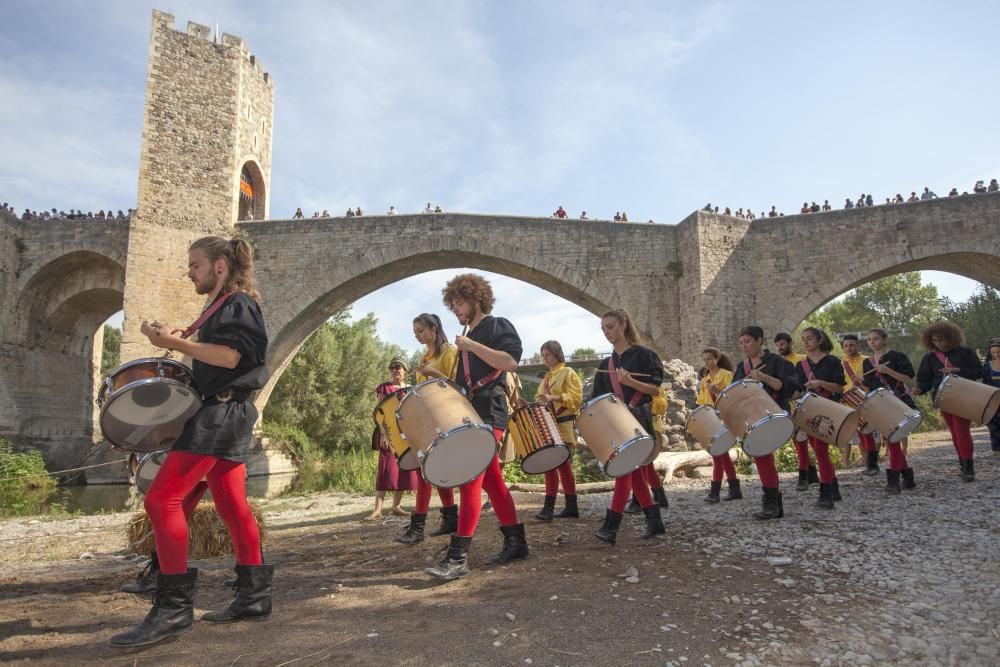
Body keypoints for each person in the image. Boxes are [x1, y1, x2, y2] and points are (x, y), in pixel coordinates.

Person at [109, 236, 270, 647]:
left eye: (195, 264)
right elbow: (219, 352)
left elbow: (232, 358)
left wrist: (174, 344)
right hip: (224, 414)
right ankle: (254, 596)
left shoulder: (239, 304)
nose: (189, 272)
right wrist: (176, 337)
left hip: (220, 415)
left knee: (162, 500)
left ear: (220, 267)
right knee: (233, 507)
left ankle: (173, 611)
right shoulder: (222, 306)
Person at [425, 274, 527, 581]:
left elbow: (510, 362)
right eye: (452, 304)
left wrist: (472, 345)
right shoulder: (464, 342)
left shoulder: (498, 326)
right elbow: (464, 387)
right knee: (492, 481)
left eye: (459, 302)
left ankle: (458, 558)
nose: (455, 309)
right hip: (471, 411)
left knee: (470, 479)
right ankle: (516, 542)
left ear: (476, 298)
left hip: (492, 411)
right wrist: (437, 376)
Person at [592, 309, 666, 545]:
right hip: (616, 423)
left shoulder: (645, 355)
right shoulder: (606, 364)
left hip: (639, 420)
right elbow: (599, 399)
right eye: (603, 329)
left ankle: (610, 528)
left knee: (624, 470)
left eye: (611, 327)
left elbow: (655, 389)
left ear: (623, 325)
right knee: (632, 472)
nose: (607, 333)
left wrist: (631, 382)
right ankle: (655, 523)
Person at [395, 314, 459, 544]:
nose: (417, 335)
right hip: (428, 419)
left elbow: (458, 385)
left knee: (426, 470)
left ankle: (418, 528)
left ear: (434, 329)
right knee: (431, 468)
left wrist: (433, 374)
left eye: (420, 330)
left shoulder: (450, 351)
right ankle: (451, 518)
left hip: (446, 417)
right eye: (415, 332)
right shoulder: (424, 357)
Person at [732, 326, 797, 519]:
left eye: (748, 342)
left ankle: (772, 502)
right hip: (753, 415)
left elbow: (788, 388)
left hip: (774, 412)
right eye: (741, 343)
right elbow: (735, 391)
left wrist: (764, 377)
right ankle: (773, 502)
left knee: (763, 453)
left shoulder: (777, 362)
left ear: (759, 340)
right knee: (761, 455)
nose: (744, 346)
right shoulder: (742, 366)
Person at [914, 322, 983, 481]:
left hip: (963, 396)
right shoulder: (930, 358)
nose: (938, 343)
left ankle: (968, 468)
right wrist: (919, 389)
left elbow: (978, 371)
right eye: (935, 341)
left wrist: (958, 371)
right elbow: (924, 379)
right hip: (942, 397)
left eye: (941, 340)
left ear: (951, 338)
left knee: (961, 430)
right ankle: (963, 465)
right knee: (954, 432)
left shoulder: (966, 353)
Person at [795, 328, 847, 510]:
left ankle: (826, 494)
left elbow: (839, 388)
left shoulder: (833, 362)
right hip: (809, 411)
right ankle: (833, 487)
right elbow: (798, 390)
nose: (806, 342)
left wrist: (820, 383)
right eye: (803, 339)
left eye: (809, 338)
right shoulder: (800, 365)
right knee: (818, 450)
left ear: (819, 339)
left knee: (820, 450)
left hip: (828, 409)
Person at [864, 328, 919, 492]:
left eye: (875, 339)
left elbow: (908, 378)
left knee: (893, 438)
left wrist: (888, 371)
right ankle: (907, 478)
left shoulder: (896, 357)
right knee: (891, 438)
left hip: (897, 401)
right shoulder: (867, 362)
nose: (872, 342)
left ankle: (894, 480)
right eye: (869, 339)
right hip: (880, 403)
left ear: (884, 340)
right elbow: (869, 386)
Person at [534, 340, 583, 520]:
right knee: (549, 466)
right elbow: (541, 401)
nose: (545, 359)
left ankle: (570, 507)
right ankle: (549, 508)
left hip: (563, 425)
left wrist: (553, 397)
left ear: (557, 354)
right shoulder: (547, 378)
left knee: (563, 466)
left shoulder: (567, 372)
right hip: (548, 426)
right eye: (543, 356)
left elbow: (576, 399)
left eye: (547, 355)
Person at [367, 358, 418, 521]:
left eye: (399, 367)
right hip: (388, 433)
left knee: (404, 469)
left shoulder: (410, 389)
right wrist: (383, 434)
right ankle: (377, 509)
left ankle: (396, 506)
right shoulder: (385, 387)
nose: (395, 370)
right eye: (392, 367)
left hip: (405, 434)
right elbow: (379, 412)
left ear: (404, 369)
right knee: (385, 469)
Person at [697, 347, 740, 503]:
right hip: (711, 419)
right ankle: (735, 489)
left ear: (717, 358)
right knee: (722, 453)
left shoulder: (727, 375)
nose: (707, 362)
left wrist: (718, 391)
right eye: (705, 360)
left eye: (709, 359)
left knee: (717, 453)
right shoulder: (704, 380)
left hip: (725, 417)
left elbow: (734, 396)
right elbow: (702, 402)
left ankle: (715, 492)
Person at [842, 334, 880, 475]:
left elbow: (874, 380)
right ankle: (868, 462)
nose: (849, 348)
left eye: (852, 345)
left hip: (866, 399)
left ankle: (872, 463)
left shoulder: (868, 361)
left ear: (858, 345)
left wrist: (863, 382)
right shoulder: (842, 363)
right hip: (849, 402)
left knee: (869, 431)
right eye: (846, 346)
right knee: (860, 433)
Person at [981, 339, 1000, 453]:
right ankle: (997, 449)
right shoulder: (987, 366)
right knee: (993, 423)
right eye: (994, 352)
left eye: (999, 352)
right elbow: (984, 383)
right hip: (993, 398)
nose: (997, 354)